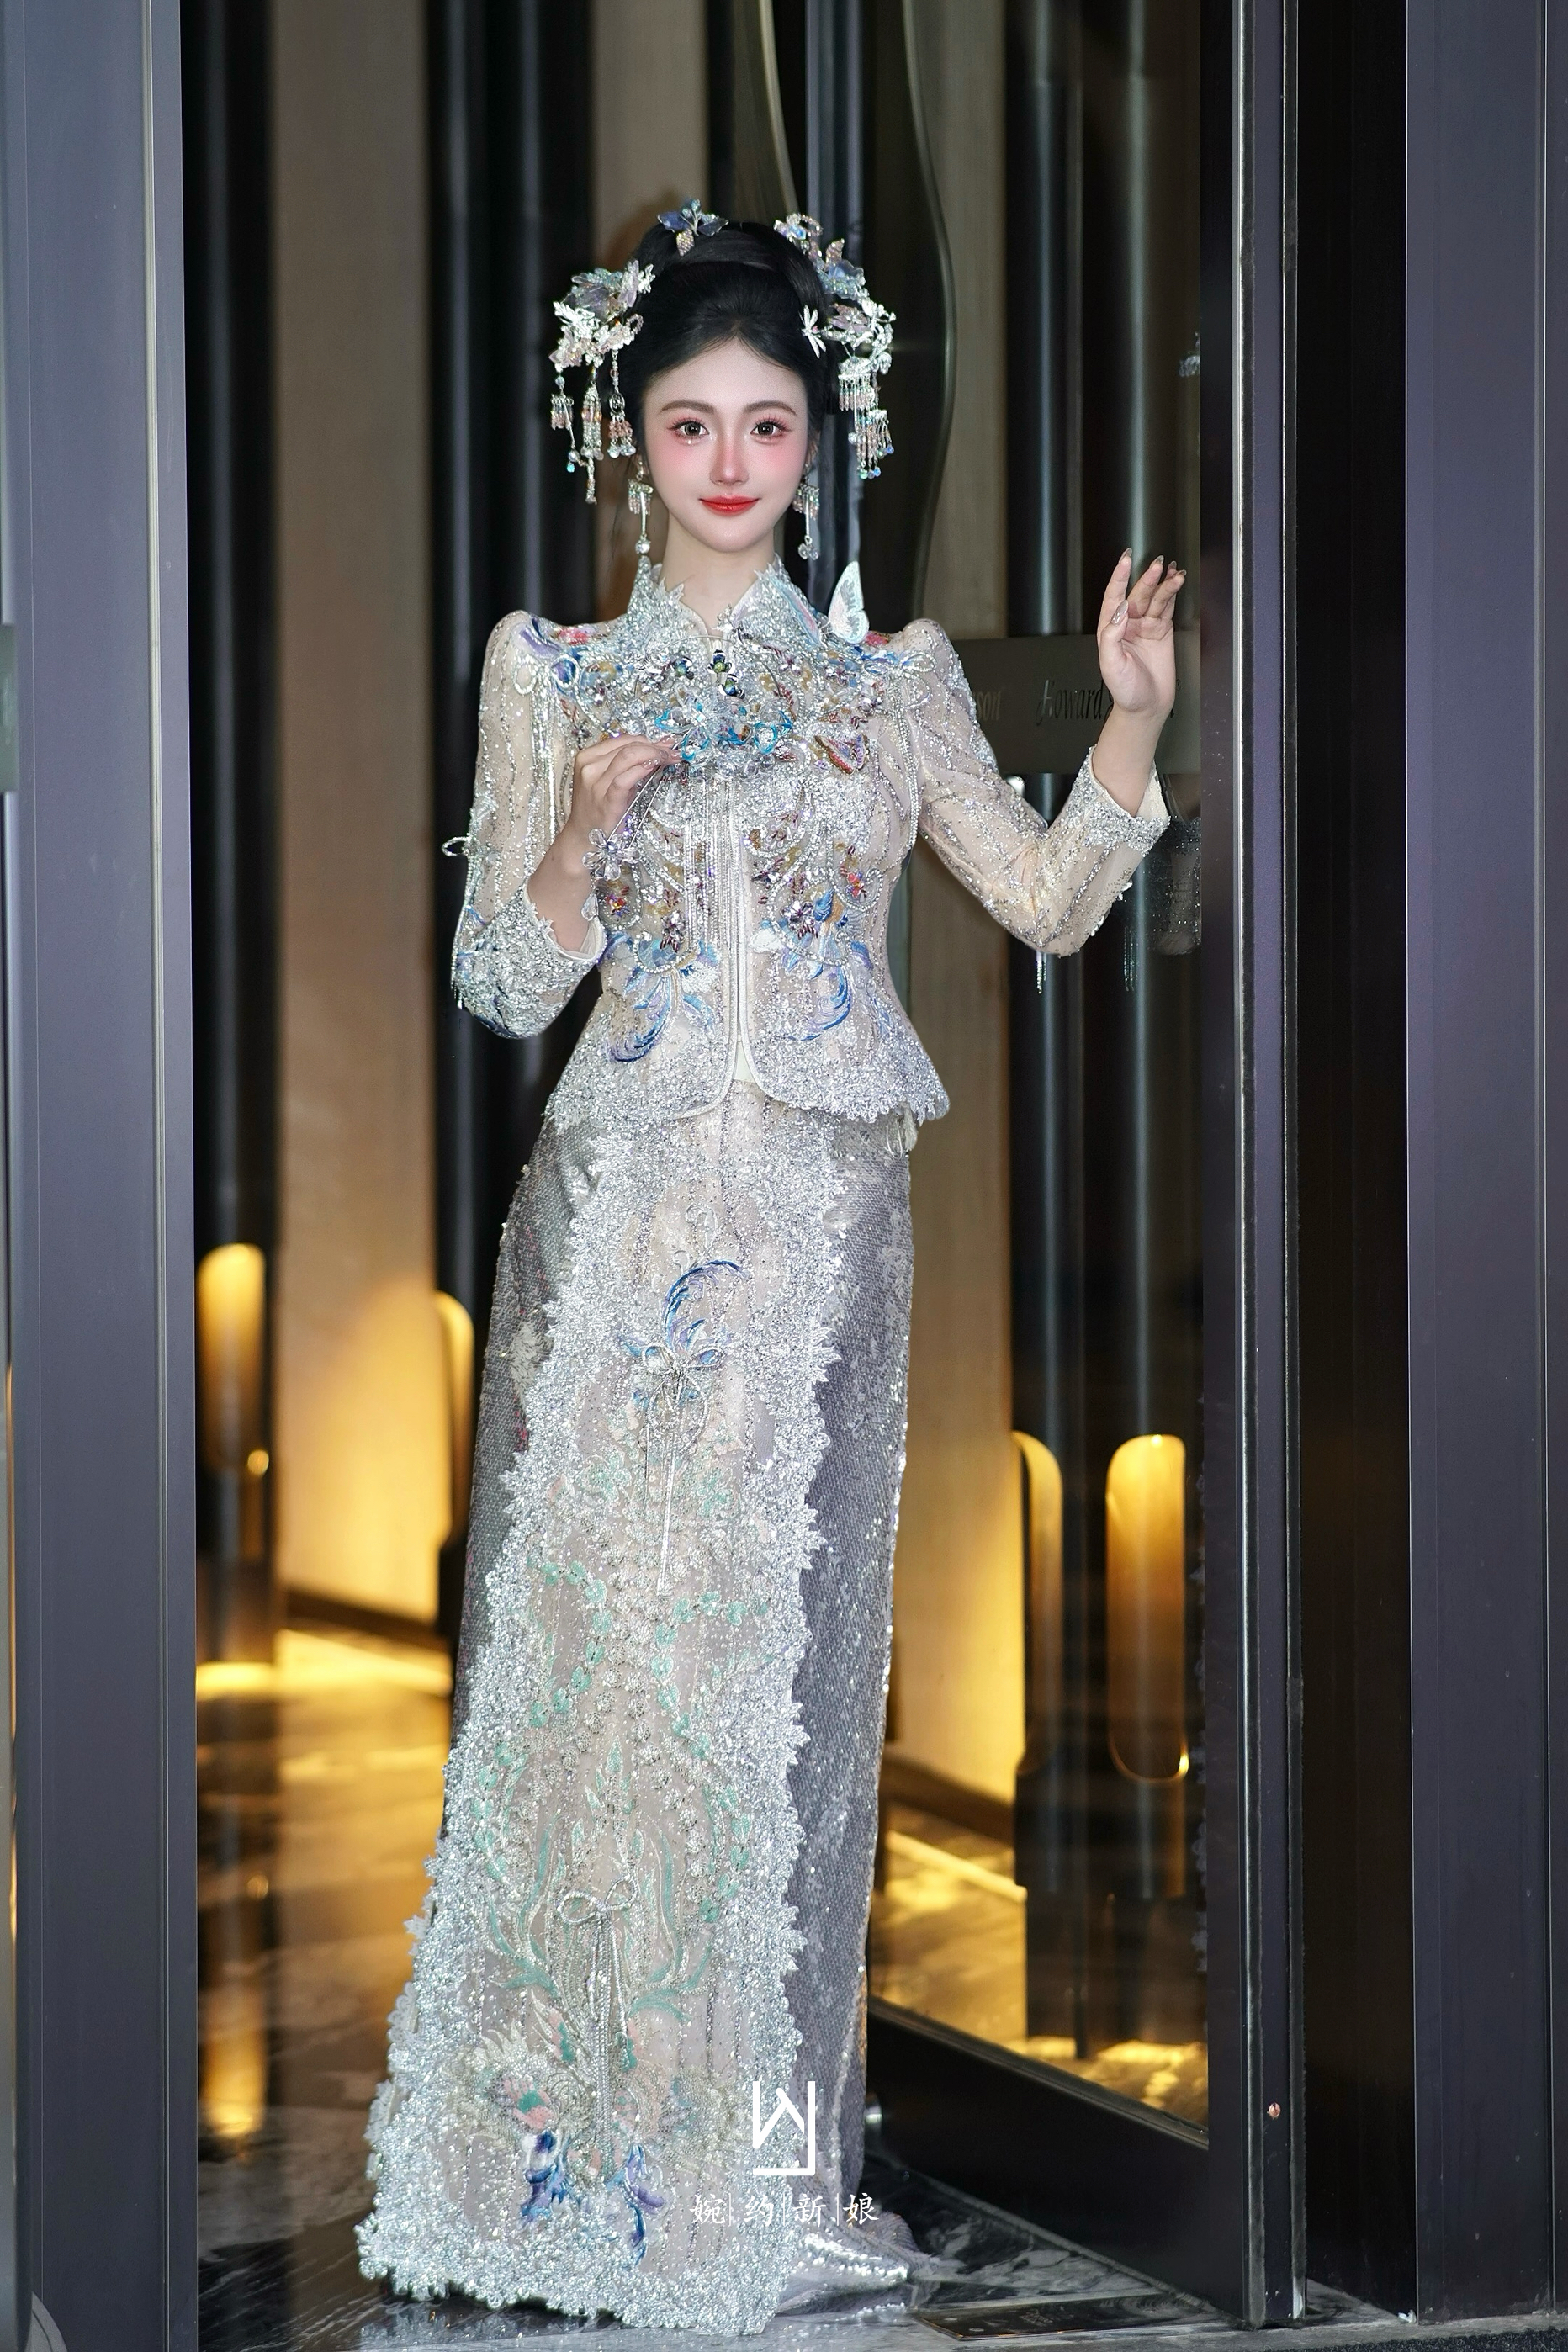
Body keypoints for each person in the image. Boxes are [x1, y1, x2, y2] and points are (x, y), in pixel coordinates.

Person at [358, 204, 1180, 2333]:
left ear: (824, 441)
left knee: (759, 1694)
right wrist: (572, 835)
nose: (729, 463)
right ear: (628, 439)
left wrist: (1119, 733)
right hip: (627, 1216)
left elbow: (1042, 902)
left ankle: (740, 2165)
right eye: (688, 424)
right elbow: (496, 978)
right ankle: (546, 2159)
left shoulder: (885, 688)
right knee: (596, 1682)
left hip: (809, 1229)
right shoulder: (554, 670)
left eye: (767, 425)